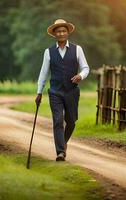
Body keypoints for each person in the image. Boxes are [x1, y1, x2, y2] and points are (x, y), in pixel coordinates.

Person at [35, 19, 89, 161]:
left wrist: (80, 76)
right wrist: (39, 92)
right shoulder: (49, 52)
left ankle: (63, 142)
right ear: (54, 34)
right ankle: (60, 151)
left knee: (71, 122)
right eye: (58, 31)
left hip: (72, 91)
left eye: (64, 31)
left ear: (68, 33)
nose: (61, 33)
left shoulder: (77, 49)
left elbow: (85, 68)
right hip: (55, 92)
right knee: (58, 121)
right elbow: (44, 73)